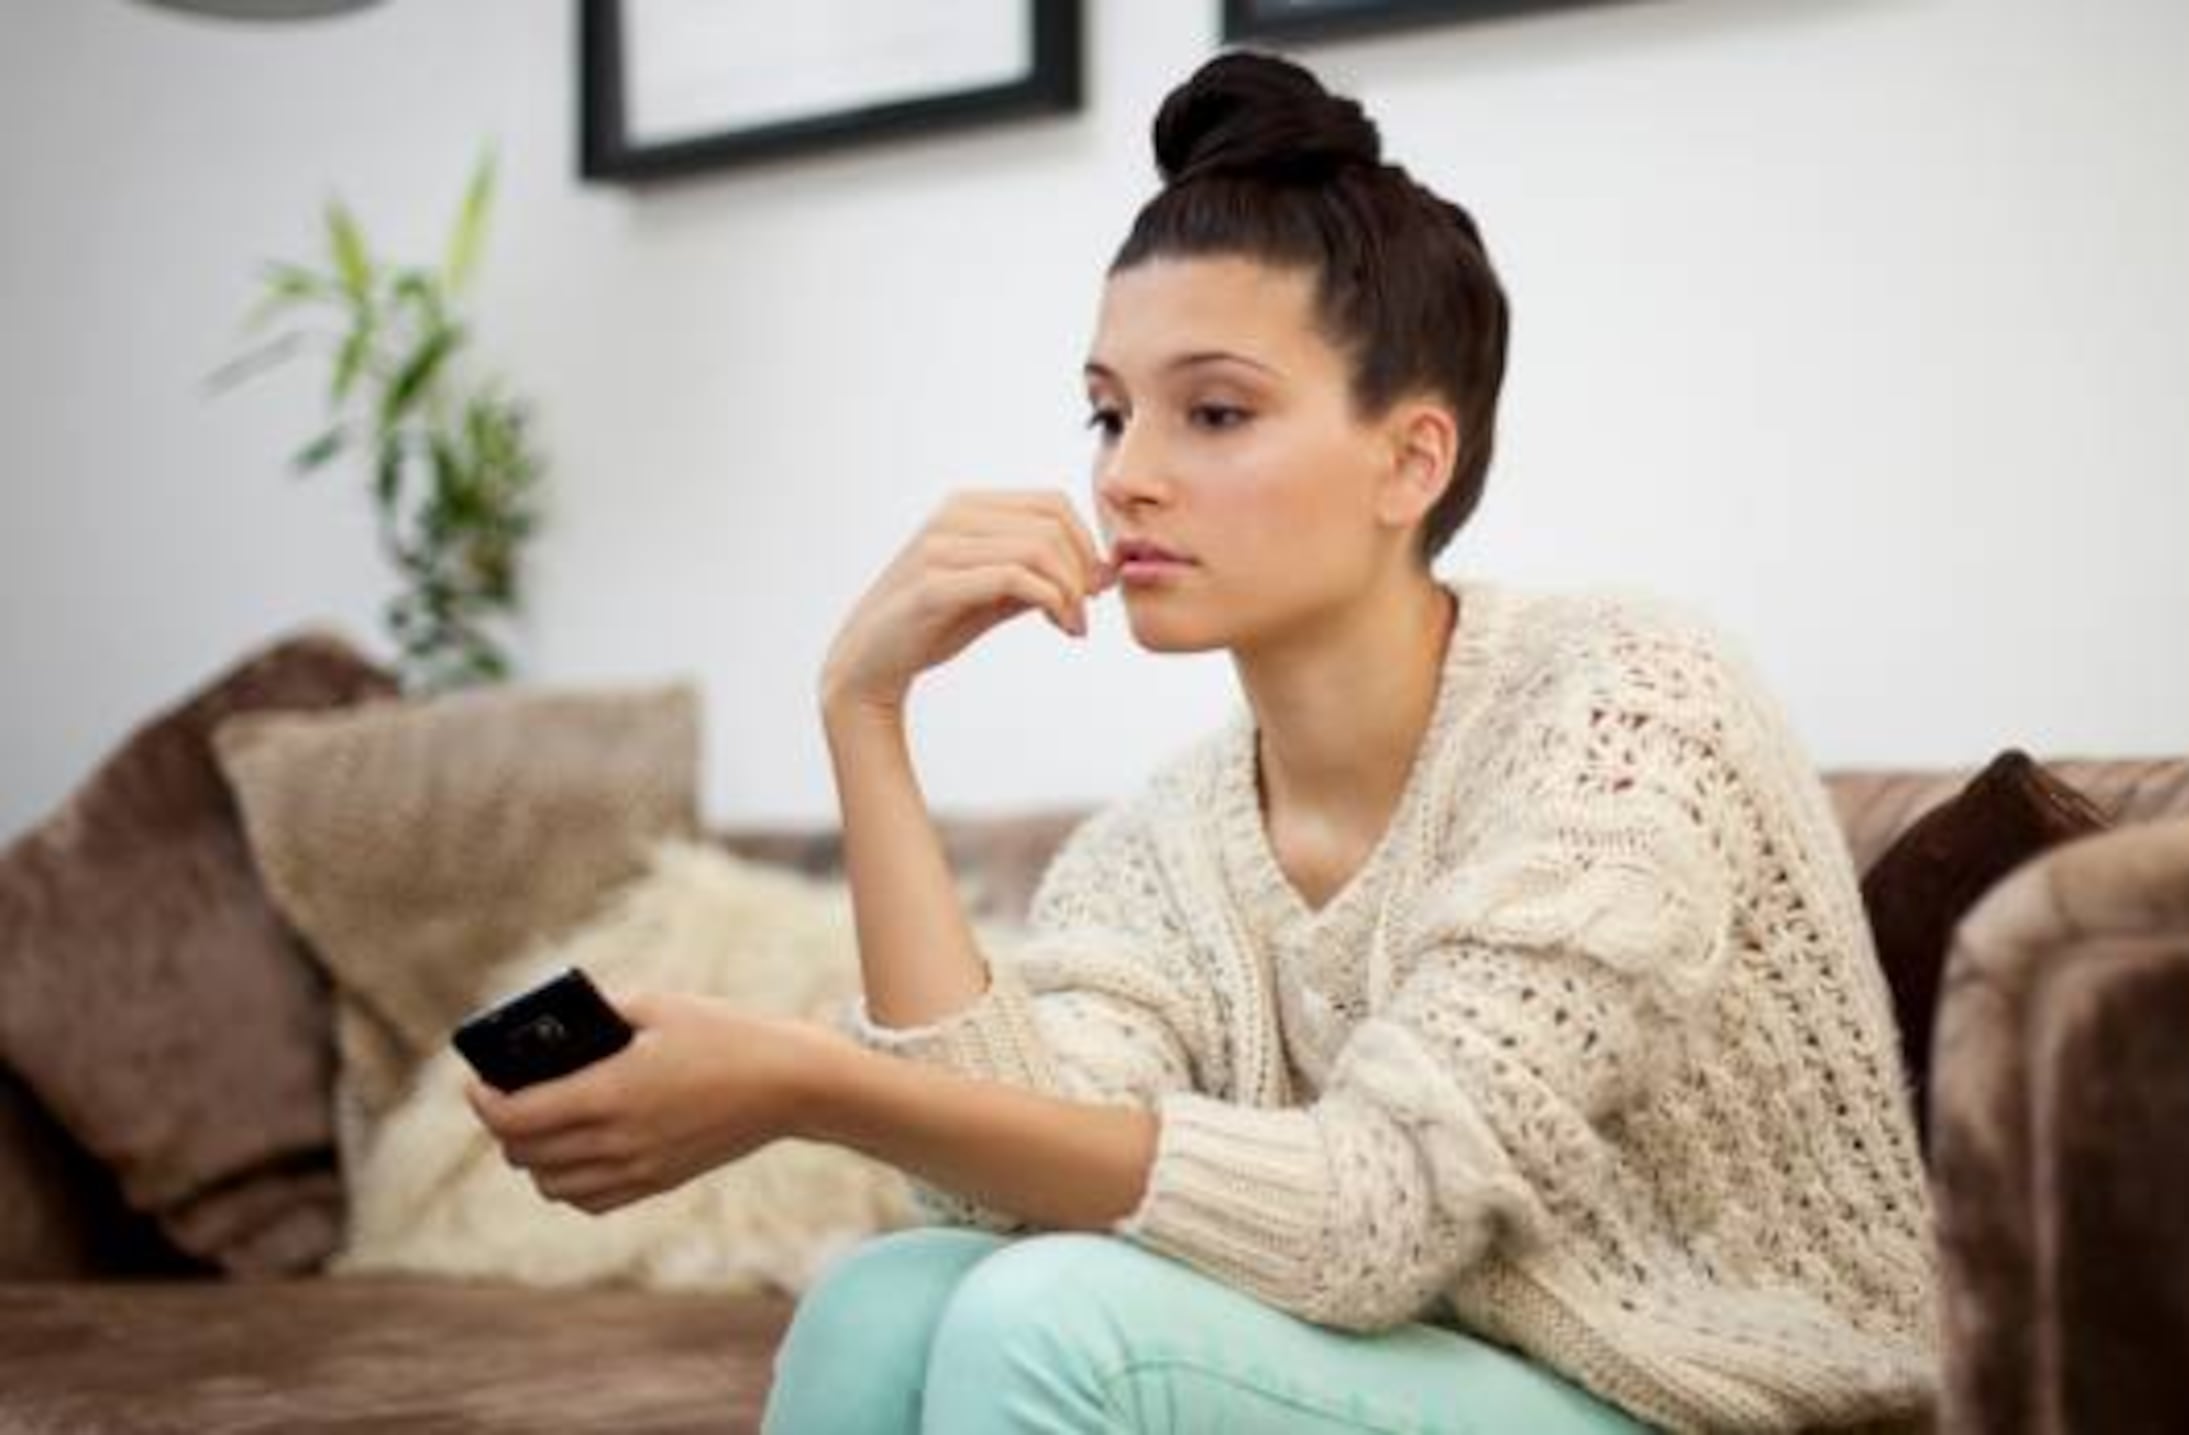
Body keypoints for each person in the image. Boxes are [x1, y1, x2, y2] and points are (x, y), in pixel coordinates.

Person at [465, 48, 1939, 1435]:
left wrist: (806, 1079)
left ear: (1409, 458)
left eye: (1215, 413)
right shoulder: (1161, 845)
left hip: (1718, 1402)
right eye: (1109, 417)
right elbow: (993, 1192)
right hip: (1419, 1372)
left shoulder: (1628, 706)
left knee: (1059, 1323)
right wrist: (866, 717)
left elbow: (1378, 1208)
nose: (1130, 480)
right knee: (882, 1300)